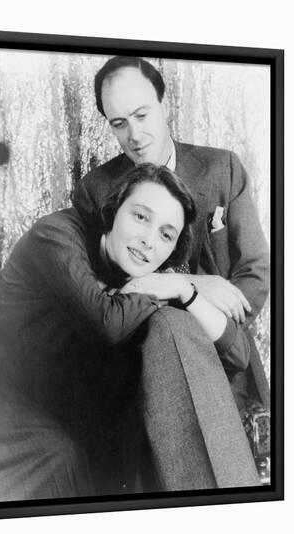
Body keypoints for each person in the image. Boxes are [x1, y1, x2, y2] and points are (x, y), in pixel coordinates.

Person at [0, 164, 259, 504]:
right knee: (62, 463)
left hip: (57, 402)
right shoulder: (56, 234)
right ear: (113, 211)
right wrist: (163, 287)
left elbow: (237, 354)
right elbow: (107, 321)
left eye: (166, 235)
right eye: (141, 217)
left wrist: (185, 289)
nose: (148, 241)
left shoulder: (151, 277)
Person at [72, 56, 270, 412]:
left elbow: (255, 271)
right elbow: (99, 293)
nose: (134, 134)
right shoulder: (94, 190)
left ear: (164, 105)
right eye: (119, 123)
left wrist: (208, 321)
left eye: (142, 115)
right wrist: (194, 286)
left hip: (228, 361)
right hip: (145, 369)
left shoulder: (222, 168)